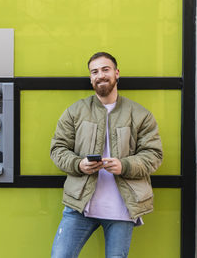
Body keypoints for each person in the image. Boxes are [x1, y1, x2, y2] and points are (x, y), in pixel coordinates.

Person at [50, 52, 163, 258]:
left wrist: (124, 166)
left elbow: (154, 155)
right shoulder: (75, 111)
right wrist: (79, 164)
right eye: (95, 72)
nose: (100, 75)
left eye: (105, 69)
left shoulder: (140, 114)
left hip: (122, 209)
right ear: (91, 78)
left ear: (116, 73)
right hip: (80, 206)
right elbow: (58, 149)